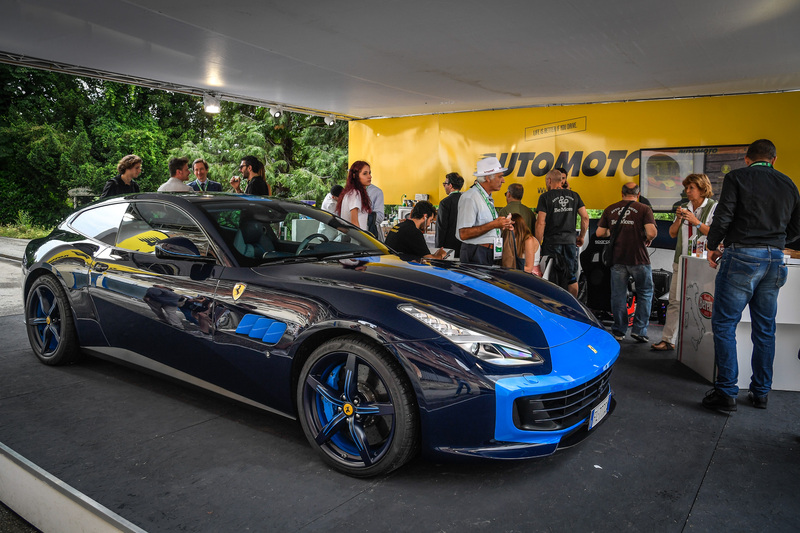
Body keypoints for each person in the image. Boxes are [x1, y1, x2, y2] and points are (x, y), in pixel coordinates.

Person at [702, 139, 800, 413]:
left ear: (747, 159)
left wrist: (712, 246)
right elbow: (797, 227)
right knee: (765, 328)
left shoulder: (737, 177)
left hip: (742, 256)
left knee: (724, 325)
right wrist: (775, 241)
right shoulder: (788, 183)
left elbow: (723, 216)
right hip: (775, 260)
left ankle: (726, 393)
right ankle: (760, 393)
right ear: (774, 159)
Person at [651, 174, 717, 351]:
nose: (687, 191)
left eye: (691, 188)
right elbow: (672, 234)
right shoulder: (684, 207)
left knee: (703, 302)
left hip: (704, 262)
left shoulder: (713, 207)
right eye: (686, 188)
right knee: (675, 301)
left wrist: (695, 222)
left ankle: (702, 345)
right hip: (681, 259)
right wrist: (679, 219)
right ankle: (668, 339)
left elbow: (714, 233)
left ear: (702, 188)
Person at [596, 182, 657, 342]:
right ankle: (639, 330)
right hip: (639, 259)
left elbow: (600, 232)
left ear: (621, 193)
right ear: (638, 194)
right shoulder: (644, 209)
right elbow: (651, 232)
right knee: (645, 293)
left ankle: (619, 331)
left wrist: (613, 230)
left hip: (617, 258)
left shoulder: (610, 209)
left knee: (618, 295)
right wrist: (645, 237)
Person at [535, 168, 589, 296]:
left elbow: (541, 222)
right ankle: (571, 309)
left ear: (549, 180)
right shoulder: (574, 196)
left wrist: (537, 244)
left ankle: (553, 308)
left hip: (551, 243)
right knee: (571, 276)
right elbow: (585, 217)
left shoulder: (545, 197)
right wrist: (581, 236)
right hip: (570, 242)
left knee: (551, 277)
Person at [456, 156, 514, 265]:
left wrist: (502, 225)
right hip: (476, 253)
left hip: (487, 253)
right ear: (487, 178)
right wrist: (493, 224)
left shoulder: (485, 197)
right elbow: (463, 233)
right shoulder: (470, 197)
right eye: (500, 176)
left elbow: (486, 227)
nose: (503, 180)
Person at [337, 160, 373, 230]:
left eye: (369, 173)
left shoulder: (352, 192)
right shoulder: (355, 193)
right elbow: (354, 223)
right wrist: (362, 239)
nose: (370, 176)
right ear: (355, 176)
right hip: (355, 238)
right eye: (365, 173)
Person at [436, 172, 464, 258]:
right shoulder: (466, 201)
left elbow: (441, 227)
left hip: (448, 249)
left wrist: (438, 248)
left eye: (445, 184)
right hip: (464, 246)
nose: (444, 186)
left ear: (450, 185)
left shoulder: (445, 203)